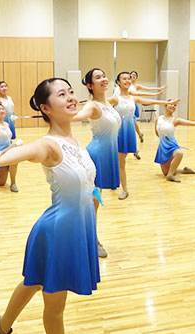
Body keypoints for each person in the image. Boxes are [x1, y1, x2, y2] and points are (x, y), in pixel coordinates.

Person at [0, 78, 97, 334]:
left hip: (77, 230)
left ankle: (3, 324)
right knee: (55, 306)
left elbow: (86, 180)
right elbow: (23, 151)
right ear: (45, 108)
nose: (71, 97)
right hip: (56, 234)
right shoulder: (48, 144)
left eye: (72, 92)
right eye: (62, 95)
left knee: (33, 282)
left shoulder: (76, 140)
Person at [72, 68, 122, 258]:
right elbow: (75, 117)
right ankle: (92, 240)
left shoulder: (109, 103)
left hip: (107, 156)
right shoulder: (92, 106)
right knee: (92, 201)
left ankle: (87, 237)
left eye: (104, 75)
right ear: (90, 86)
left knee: (94, 201)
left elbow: (131, 97)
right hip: (95, 156)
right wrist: (59, 110)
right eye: (98, 77)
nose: (104, 78)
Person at [113, 71, 179, 199]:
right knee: (121, 162)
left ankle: (116, 180)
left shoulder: (133, 98)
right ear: (118, 82)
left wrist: (166, 101)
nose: (127, 81)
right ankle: (124, 189)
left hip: (130, 130)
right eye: (124, 79)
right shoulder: (116, 98)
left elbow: (147, 99)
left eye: (128, 79)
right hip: (120, 131)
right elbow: (99, 103)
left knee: (123, 158)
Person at [155, 102, 195, 182]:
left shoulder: (176, 120)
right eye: (171, 104)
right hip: (162, 147)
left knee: (179, 153)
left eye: (175, 105)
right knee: (165, 172)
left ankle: (170, 176)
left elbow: (192, 123)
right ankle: (184, 170)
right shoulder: (158, 119)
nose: (173, 106)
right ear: (165, 105)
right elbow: (157, 133)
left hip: (172, 145)